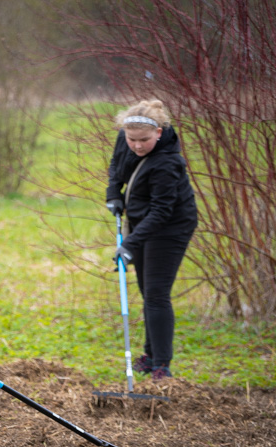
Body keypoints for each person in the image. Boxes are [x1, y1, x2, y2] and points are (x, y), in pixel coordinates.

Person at [105, 100, 197, 379]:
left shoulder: (168, 163)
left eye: (144, 140)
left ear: (158, 132)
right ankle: (150, 356)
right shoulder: (126, 139)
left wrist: (129, 244)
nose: (137, 146)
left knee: (156, 294)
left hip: (170, 227)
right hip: (142, 221)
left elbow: (162, 211)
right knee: (148, 292)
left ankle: (162, 366)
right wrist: (113, 193)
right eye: (132, 140)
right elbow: (115, 166)